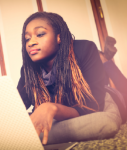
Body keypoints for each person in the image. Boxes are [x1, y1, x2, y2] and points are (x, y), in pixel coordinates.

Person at [17, 12, 122, 145]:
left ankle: (106, 59)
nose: (31, 42)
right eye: (27, 39)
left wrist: (53, 108)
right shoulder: (28, 70)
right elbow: (16, 109)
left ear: (58, 37)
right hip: (71, 112)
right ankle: (104, 56)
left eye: (40, 34)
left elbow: (94, 106)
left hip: (102, 97)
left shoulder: (84, 49)